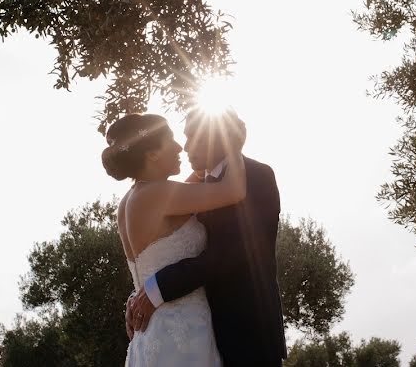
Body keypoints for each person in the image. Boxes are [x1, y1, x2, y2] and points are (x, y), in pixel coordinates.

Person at [128, 108, 287, 367]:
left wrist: (158, 287)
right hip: (200, 336)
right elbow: (168, 247)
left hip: (248, 335)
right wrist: (140, 293)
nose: (186, 147)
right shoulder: (196, 189)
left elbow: (234, 253)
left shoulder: (257, 176)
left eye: (193, 138)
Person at [103, 112, 247, 366]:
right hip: (183, 336)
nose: (180, 146)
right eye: (171, 139)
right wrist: (231, 139)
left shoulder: (134, 198)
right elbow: (233, 190)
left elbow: (199, 180)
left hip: (152, 332)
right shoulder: (160, 194)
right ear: (152, 154)